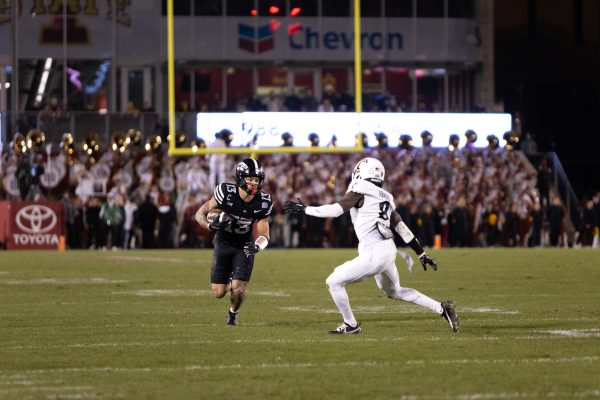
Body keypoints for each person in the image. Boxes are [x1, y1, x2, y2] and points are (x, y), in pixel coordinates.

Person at [283, 157, 459, 334]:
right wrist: (420, 253)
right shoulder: (386, 197)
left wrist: (305, 209)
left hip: (375, 252)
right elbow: (400, 226)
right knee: (395, 291)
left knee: (334, 282)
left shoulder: (360, 189)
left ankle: (350, 324)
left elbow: (336, 210)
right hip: (388, 250)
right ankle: (442, 308)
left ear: (361, 171)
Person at [195, 158, 273, 326]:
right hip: (223, 242)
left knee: (238, 290)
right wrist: (210, 225)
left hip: (244, 245)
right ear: (240, 178)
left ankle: (232, 314)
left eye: (256, 180)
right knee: (219, 292)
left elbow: (265, 234)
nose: (253, 183)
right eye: (250, 179)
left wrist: (257, 246)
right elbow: (200, 214)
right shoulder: (225, 191)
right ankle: (231, 280)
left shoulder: (264, 201)